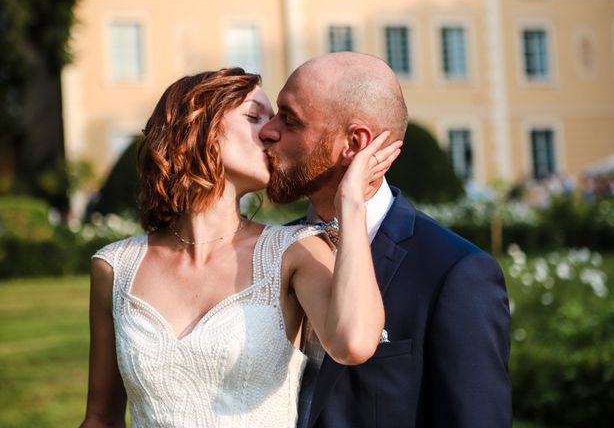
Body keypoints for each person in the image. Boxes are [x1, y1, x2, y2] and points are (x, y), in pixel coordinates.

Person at [80, 68, 401, 427]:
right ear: (197, 127)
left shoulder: (294, 252)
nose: (270, 132)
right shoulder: (115, 267)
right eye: (254, 117)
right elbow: (100, 417)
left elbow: (353, 343)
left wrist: (351, 202)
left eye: (277, 118)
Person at [259, 52, 512, 427]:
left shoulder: (453, 273)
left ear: (355, 144)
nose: (268, 130)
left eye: (289, 119)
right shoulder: (272, 251)